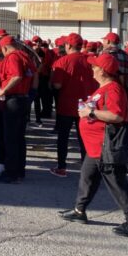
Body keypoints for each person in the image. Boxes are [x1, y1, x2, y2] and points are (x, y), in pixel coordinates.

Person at [60, 53, 128, 237]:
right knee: (87, 177)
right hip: (95, 148)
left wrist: (90, 113)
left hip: (106, 147)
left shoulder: (113, 89)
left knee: (117, 183)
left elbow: (117, 116)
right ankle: (79, 210)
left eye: (95, 66)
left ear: (103, 71)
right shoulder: (104, 88)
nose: (92, 69)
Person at [49, 33, 93, 178]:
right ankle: (87, 169)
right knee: (84, 138)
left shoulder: (62, 61)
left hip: (66, 104)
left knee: (63, 137)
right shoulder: (90, 60)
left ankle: (62, 167)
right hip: (86, 106)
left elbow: (57, 85)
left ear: (68, 45)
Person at [0, 35, 32, 184]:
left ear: (4, 48)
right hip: (23, 99)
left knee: (11, 139)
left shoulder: (12, 57)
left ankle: (11, 173)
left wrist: (4, 90)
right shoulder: (24, 56)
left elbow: (17, 76)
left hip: (13, 100)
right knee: (19, 138)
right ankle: (19, 171)